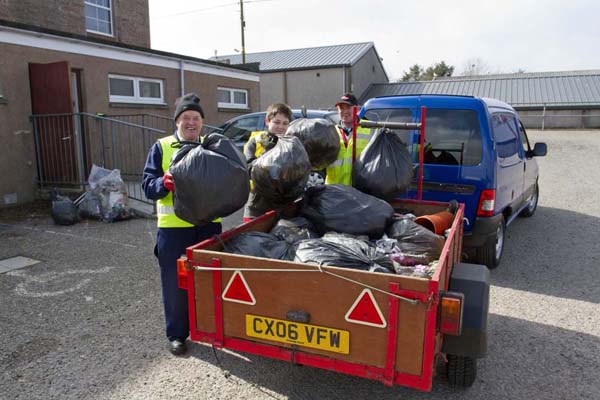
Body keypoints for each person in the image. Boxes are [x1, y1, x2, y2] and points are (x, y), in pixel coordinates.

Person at [141, 93, 222, 356]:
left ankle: (210, 328)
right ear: (177, 122)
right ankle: (177, 334)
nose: (191, 123)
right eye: (186, 118)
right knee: (175, 283)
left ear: (202, 123)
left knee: (209, 280)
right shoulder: (162, 147)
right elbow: (147, 186)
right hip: (174, 229)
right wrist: (161, 184)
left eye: (196, 118)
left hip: (208, 225)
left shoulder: (212, 146)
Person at [242, 103, 293, 222]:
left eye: (285, 123)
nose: (281, 126)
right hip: (256, 206)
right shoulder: (255, 142)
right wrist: (268, 151)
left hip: (284, 205)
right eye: (276, 122)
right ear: (267, 121)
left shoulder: (291, 145)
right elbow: (249, 168)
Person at [325, 93, 373, 185]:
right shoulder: (331, 131)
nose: (345, 111)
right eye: (341, 108)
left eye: (348, 107)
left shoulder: (370, 128)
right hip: (335, 190)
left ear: (358, 109)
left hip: (359, 190)